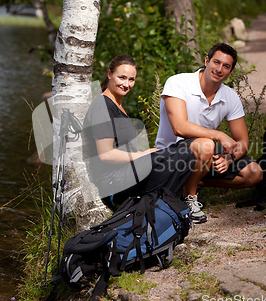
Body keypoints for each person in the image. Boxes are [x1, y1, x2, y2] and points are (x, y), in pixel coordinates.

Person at [155, 43, 263, 223]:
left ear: (231, 71)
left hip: (203, 157)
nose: (219, 69)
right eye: (216, 62)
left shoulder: (230, 96)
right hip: (170, 155)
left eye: (226, 66)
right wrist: (219, 135)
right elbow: (179, 127)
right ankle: (189, 199)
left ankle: (189, 182)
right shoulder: (178, 83)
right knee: (207, 143)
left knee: (255, 172)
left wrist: (230, 159)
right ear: (207, 61)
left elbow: (243, 140)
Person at [82, 54, 195, 209]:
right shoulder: (102, 106)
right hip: (112, 184)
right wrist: (143, 155)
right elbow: (106, 154)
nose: (126, 84)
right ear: (109, 74)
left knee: (186, 150)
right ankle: (151, 206)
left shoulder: (117, 105)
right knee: (176, 156)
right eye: (121, 77)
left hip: (127, 172)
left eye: (131, 79)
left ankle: (160, 204)